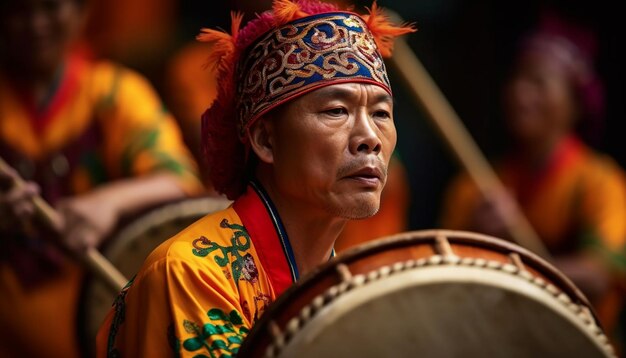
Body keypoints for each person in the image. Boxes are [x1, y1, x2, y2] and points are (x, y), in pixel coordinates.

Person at [96, 0, 414, 356]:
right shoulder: (192, 274)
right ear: (266, 140)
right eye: (337, 110)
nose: (370, 137)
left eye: (381, 113)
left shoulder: (348, 292)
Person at [0, 0, 203, 356]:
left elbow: (181, 181)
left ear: (82, 11)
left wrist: (106, 203)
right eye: (19, 9)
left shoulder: (114, 93)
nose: (35, 24)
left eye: (50, 7)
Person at [440, 12, 626, 334]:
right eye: (517, 79)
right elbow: (439, 275)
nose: (519, 94)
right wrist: (475, 236)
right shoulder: (475, 185)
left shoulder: (600, 181)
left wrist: (514, 250)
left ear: (576, 102)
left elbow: (599, 276)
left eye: (538, 82)